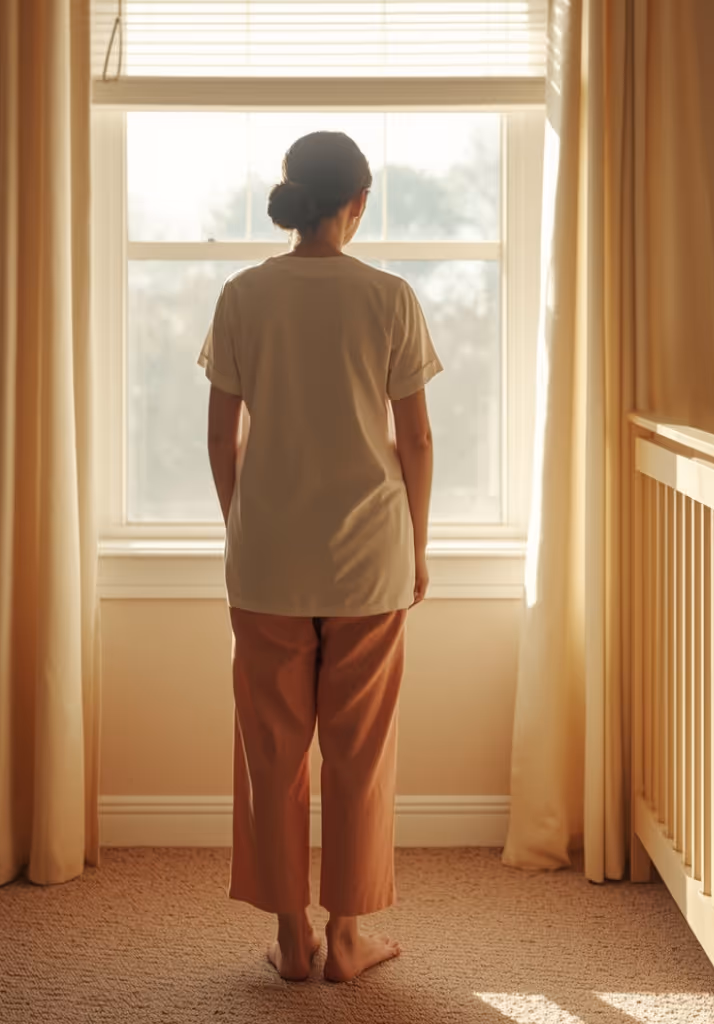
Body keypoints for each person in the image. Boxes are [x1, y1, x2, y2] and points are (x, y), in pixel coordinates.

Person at [197, 130, 442, 983]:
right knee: (359, 753)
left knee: (271, 755)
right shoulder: (389, 297)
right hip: (368, 558)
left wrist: (245, 523)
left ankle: (292, 934)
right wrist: (417, 541)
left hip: (267, 561)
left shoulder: (242, 295)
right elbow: (413, 436)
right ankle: (347, 938)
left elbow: (221, 437)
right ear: (358, 203)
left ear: (292, 196)